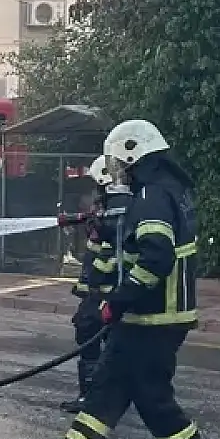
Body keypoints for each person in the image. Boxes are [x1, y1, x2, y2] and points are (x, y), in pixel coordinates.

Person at [25, 120, 216, 439]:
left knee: (153, 397)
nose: (118, 172)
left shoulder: (153, 196)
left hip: (156, 318)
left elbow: (155, 257)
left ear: (134, 155)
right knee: (107, 389)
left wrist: (117, 301)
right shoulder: (166, 191)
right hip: (149, 316)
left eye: (119, 163)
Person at [60, 155, 132, 414]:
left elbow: (110, 254)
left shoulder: (115, 211)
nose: (92, 193)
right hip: (102, 293)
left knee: (90, 338)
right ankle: (104, 396)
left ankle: (92, 398)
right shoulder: (113, 208)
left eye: (95, 186)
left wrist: (95, 281)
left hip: (104, 293)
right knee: (104, 343)